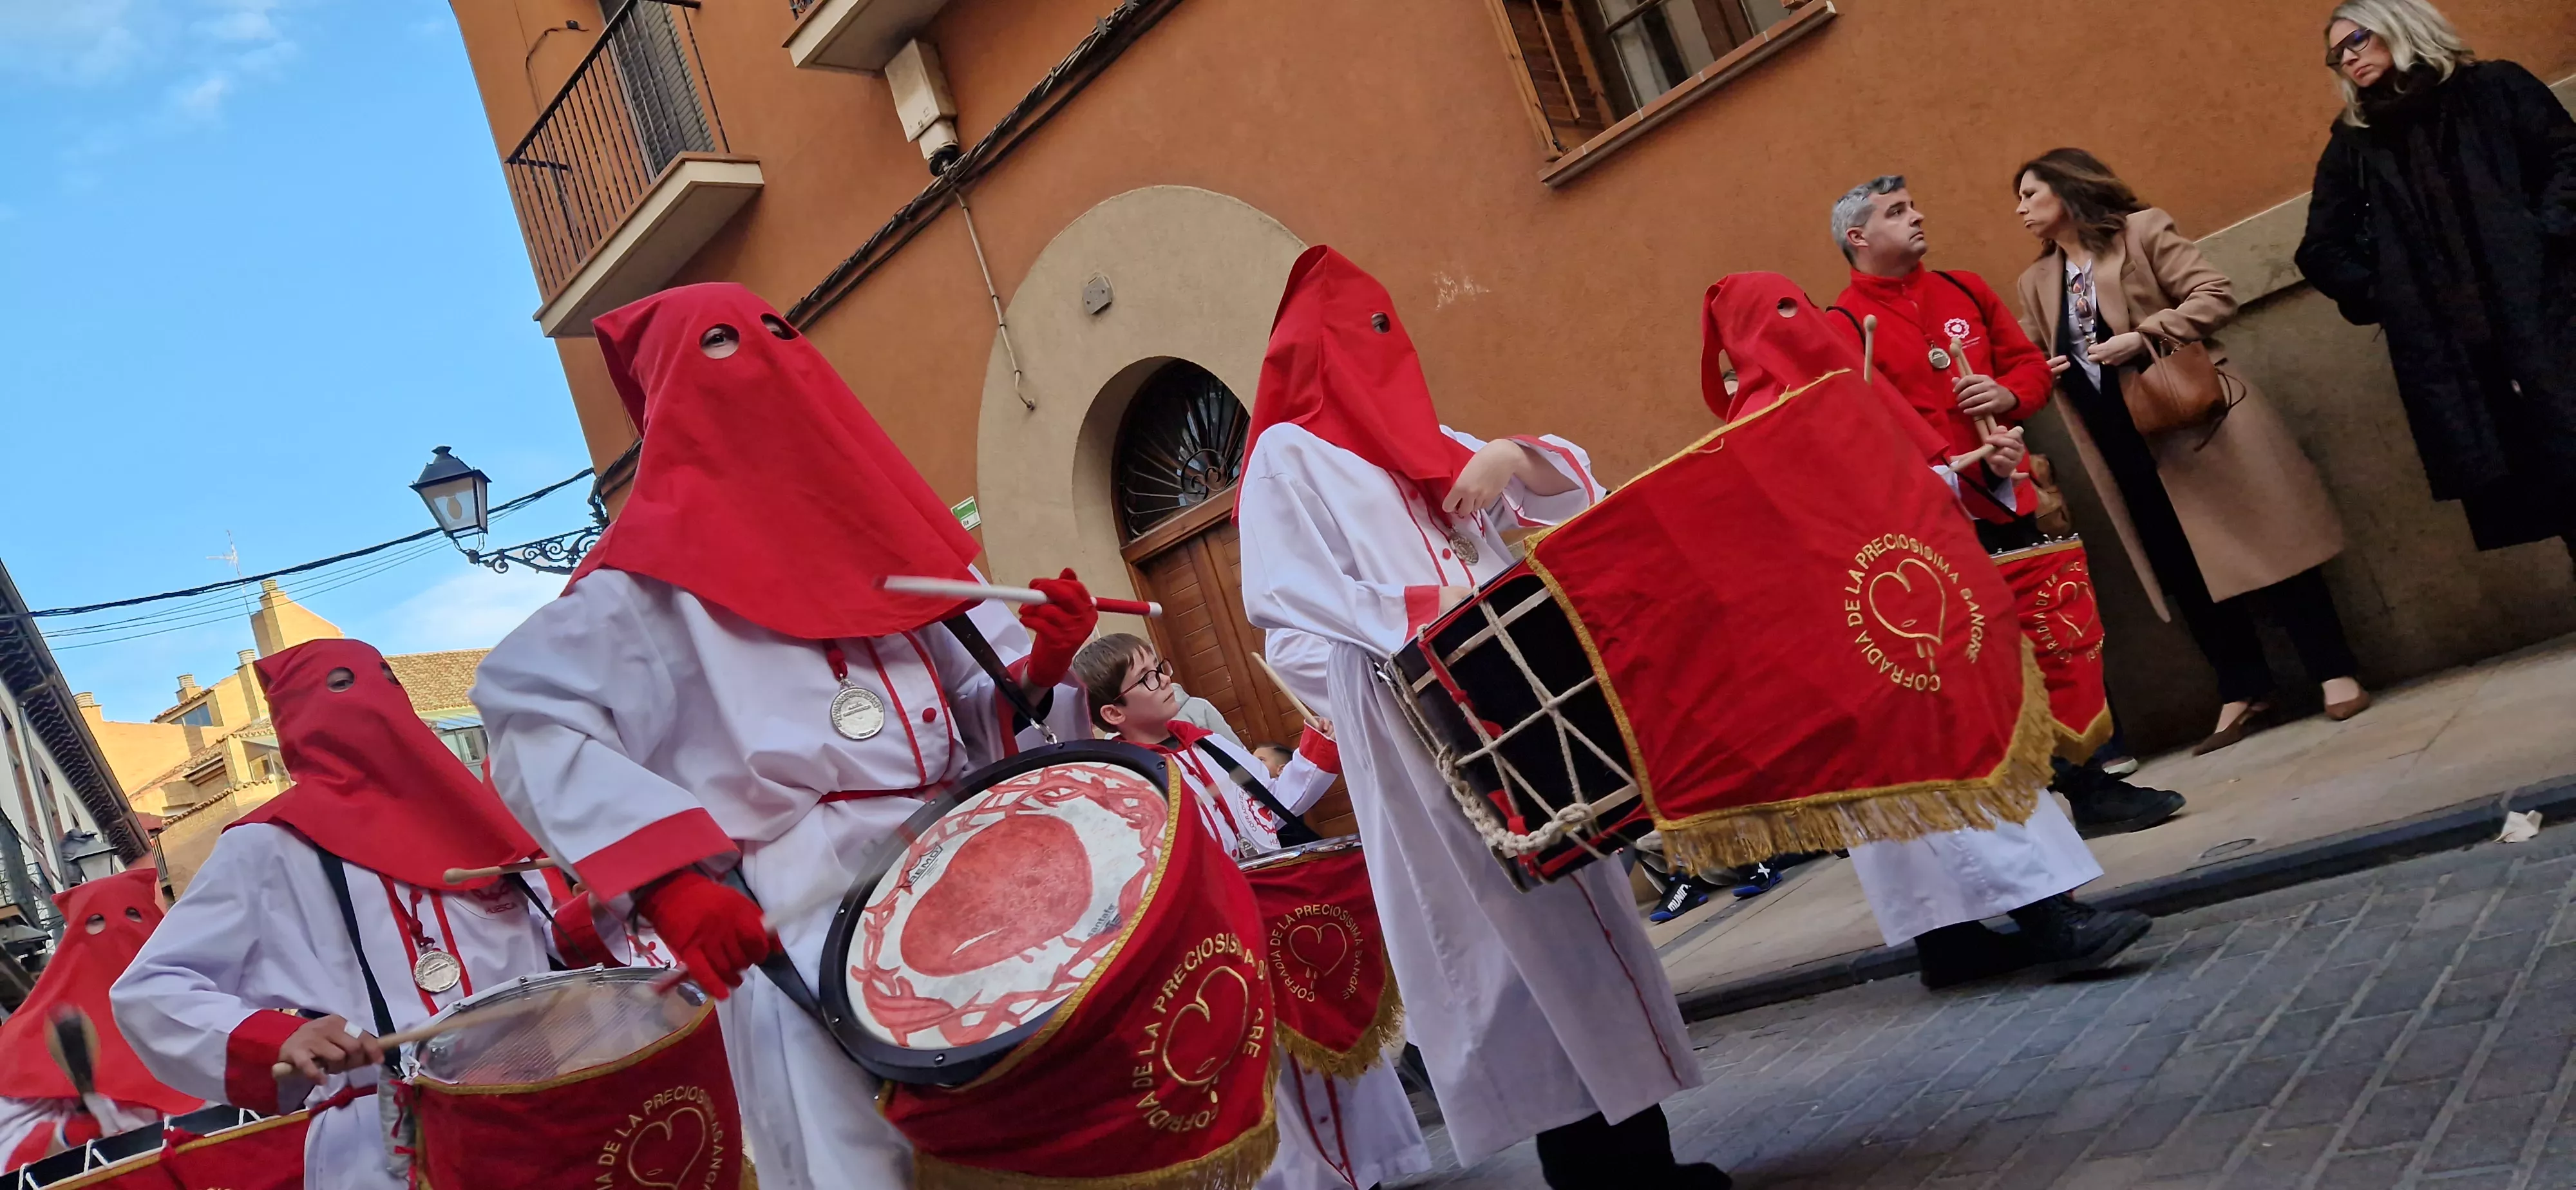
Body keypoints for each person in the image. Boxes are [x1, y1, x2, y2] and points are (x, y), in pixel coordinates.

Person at [474, 283, 1097, 1190]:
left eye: (780, 334)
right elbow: (526, 713)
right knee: (869, 1160)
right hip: (801, 905)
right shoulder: (639, 585)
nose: (764, 361)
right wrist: (669, 884)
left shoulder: (902, 546)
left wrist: (1039, 668)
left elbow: (976, 713)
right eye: (723, 346)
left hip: (972, 865)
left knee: (1033, 1136)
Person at [1236, 245, 1725, 1190]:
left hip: (1515, 697)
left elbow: (1571, 487)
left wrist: (1512, 456)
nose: (1387, 347)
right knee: (1512, 950)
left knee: (1587, 921)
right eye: (1364, 332)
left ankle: (1643, 1158)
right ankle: (1594, 1169)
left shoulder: (1427, 431)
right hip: (1422, 728)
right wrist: (1419, 622)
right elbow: (1283, 597)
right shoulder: (1288, 457)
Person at [1707, 270, 2155, 990]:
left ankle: (1948, 943)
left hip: (1886, 616)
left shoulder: (1826, 393)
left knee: (1909, 793)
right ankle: (2050, 922)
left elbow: (1895, 489)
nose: (1798, 321)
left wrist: (1977, 472)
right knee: (1960, 772)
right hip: (1867, 630)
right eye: (1779, 312)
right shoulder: (1761, 419)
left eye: (1799, 303)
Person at [111, 639, 556, 1190]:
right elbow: (151, 990)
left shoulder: (491, 830)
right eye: (338, 687)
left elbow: (568, 953)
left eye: (383, 681)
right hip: (381, 1140)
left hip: (544, 1111)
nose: (367, 702)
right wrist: (276, 1039)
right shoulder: (266, 846)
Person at [1830, 174, 2186, 836]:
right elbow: (1867, 427)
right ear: (1858, 238)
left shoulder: (1963, 288)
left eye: (1914, 204)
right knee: (1993, 660)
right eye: (1898, 212)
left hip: (2017, 496)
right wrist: (1955, 463)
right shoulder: (1846, 325)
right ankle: (2050, 791)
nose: (1919, 217)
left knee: (2061, 634)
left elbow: (2027, 367)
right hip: (1940, 519)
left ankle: (2093, 778)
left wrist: (2004, 397)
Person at [2011, 149, 2367, 753]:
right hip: (2119, 440)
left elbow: (2213, 294)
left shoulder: (2142, 231)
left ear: (2069, 193)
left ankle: (2333, 669)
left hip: (2195, 421)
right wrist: (2041, 369)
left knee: (2272, 541)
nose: (2020, 210)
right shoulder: (2036, 281)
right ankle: (2244, 689)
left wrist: (2144, 335)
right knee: (2181, 567)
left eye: (2030, 195)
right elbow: (2026, 355)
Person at [1074, 633, 1431, 1190]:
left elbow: (1270, 810)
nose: (1166, 680)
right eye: (1147, 678)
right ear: (1114, 713)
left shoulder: (1213, 746)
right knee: (1269, 1070)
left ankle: (1368, 1167)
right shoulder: (1121, 782)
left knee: (1326, 1038)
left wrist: (1316, 747)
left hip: (1278, 918)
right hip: (1214, 935)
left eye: (1161, 667)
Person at [2294, 0, 2576, 567]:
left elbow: (2568, 159)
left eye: (2358, 40)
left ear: (2401, 28)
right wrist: (2394, 297)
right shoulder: (2357, 144)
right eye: (2336, 52)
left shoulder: (2493, 88)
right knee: (2548, 480)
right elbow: (2321, 248)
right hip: (2465, 352)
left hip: (2549, 313)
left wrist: (2541, 237)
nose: (2347, 58)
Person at [0, 866, 201, 1168]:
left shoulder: (208, 1008)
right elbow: (7, 1151)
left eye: (135, 914)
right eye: (96, 921)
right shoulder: (25, 1039)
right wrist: (75, 1133)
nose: (120, 929)